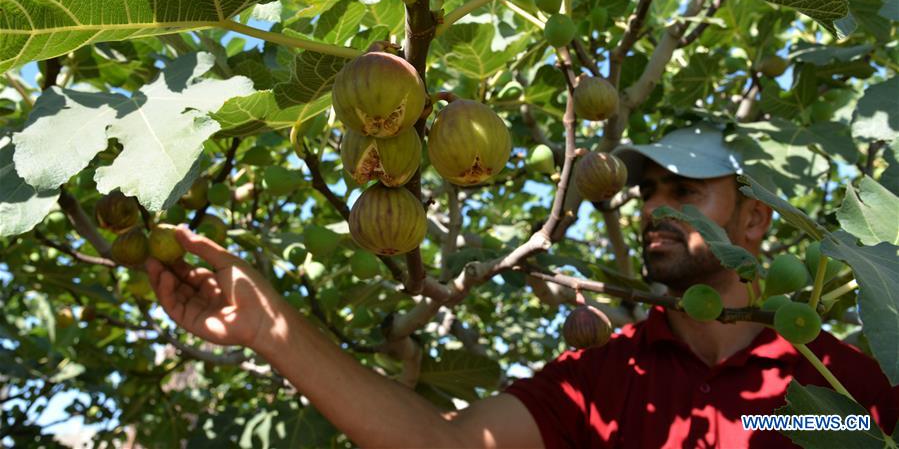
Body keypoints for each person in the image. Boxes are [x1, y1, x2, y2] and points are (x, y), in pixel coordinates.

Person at [147, 123, 897, 448]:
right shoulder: (603, 376)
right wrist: (269, 327)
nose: (655, 209)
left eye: (684, 191)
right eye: (647, 193)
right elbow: (441, 443)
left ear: (756, 218)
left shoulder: (847, 386)